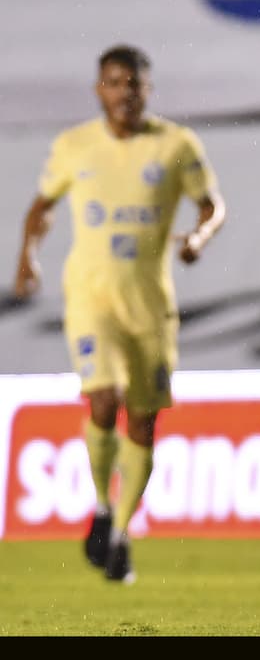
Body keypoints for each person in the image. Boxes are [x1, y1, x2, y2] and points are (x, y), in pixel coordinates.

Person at [12, 44, 227, 584]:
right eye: (114, 82)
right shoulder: (74, 146)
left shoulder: (175, 144)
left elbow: (212, 204)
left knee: (145, 418)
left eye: (134, 84)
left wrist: (200, 236)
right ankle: (101, 510)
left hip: (150, 306)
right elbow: (40, 208)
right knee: (103, 399)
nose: (124, 93)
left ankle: (122, 531)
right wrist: (28, 261)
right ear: (99, 90)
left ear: (147, 90)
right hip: (91, 299)